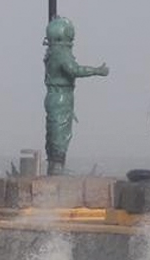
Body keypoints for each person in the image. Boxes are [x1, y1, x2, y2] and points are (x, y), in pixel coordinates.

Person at [43, 17, 108, 175]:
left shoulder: (52, 52)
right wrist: (97, 71)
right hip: (61, 96)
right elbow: (74, 70)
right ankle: (57, 168)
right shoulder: (61, 53)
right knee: (61, 132)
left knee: (54, 130)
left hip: (55, 96)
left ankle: (55, 166)